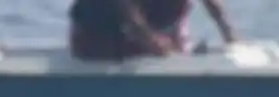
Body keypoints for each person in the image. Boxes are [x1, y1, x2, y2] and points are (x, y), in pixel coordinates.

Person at [68, 0, 237, 61]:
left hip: (129, 34)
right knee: (158, 48)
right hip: (94, 42)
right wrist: (156, 45)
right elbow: (131, 19)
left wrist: (230, 35)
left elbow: (212, 4)